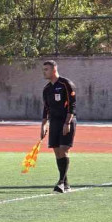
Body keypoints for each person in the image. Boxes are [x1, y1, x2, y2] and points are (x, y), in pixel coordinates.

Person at [40, 60, 77, 193]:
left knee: (64, 149)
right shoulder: (46, 89)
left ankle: (60, 182)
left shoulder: (66, 84)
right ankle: (66, 184)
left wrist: (67, 123)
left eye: (46, 69)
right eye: (43, 69)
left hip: (66, 121)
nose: (44, 72)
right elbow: (46, 108)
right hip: (54, 122)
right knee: (57, 152)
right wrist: (44, 124)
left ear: (54, 69)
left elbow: (72, 105)